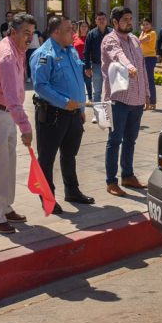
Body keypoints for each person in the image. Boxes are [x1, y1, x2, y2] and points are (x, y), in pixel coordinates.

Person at [0, 13, 36, 235]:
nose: (29, 38)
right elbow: (12, 97)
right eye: (25, 33)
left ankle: (5, 207)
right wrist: (26, 127)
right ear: (13, 31)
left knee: (9, 164)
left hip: (5, 113)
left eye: (32, 33)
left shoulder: (14, 49)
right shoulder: (7, 56)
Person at [30, 15, 93, 213]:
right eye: (68, 30)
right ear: (56, 32)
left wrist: (80, 109)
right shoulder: (43, 54)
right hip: (53, 114)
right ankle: (47, 198)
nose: (73, 33)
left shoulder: (71, 50)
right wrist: (65, 103)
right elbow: (40, 86)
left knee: (69, 154)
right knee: (47, 158)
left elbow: (77, 81)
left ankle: (72, 191)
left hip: (74, 113)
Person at [101, 6, 151, 197]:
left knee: (131, 140)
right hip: (118, 100)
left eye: (131, 18)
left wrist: (146, 93)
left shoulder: (135, 39)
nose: (130, 22)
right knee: (114, 141)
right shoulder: (109, 40)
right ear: (115, 22)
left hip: (136, 100)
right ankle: (111, 181)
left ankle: (127, 175)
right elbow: (117, 55)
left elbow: (143, 68)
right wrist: (129, 66)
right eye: (126, 19)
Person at [83, 11, 109, 103]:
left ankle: (109, 113)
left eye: (103, 19)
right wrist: (87, 67)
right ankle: (97, 114)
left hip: (111, 66)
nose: (101, 21)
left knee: (111, 91)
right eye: (99, 19)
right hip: (97, 65)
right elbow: (86, 52)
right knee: (97, 92)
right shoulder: (91, 34)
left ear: (106, 20)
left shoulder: (112, 33)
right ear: (96, 21)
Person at [138, 18, 158, 109]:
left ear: (151, 25)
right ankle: (146, 103)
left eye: (147, 24)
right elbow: (138, 42)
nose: (145, 26)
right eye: (144, 24)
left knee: (149, 80)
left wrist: (142, 33)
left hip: (150, 58)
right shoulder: (144, 33)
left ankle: (153, 102)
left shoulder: (152, 33)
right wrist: (142, 32)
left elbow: (140, 41)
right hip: (143, 58)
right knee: (143, 81)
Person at [74, 19, 93, 104]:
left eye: (85, 26)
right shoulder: (74, 36)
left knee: (88, 80)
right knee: (78, 80)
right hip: (77, 62)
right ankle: (80, 98)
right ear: (79, 27)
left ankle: (90, 98)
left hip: (87, 61)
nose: (84, 28)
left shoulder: (90, 37)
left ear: (88, 27)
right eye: (82, 26)